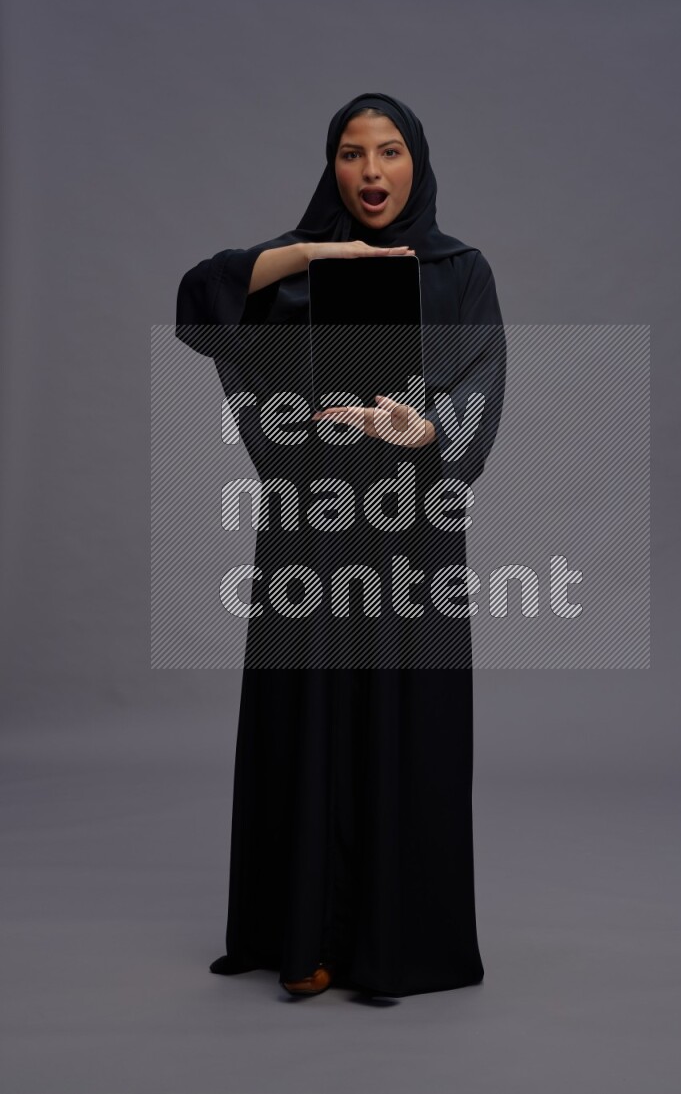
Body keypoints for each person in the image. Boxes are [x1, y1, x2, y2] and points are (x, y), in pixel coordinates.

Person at [175, 92, 507, 997]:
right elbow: (200, 306)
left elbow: (482, 383)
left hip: (413, 530)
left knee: (404, 723)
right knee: (309, 717)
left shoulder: (461, 272)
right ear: (332, 165)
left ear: (416, 161)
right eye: (353, 153)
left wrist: (422, 429)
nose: (371, 171)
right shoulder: (294, 270)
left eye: (389, 151)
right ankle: (309, 937)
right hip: (313, 528)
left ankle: (388, 944)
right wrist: (316, 256)